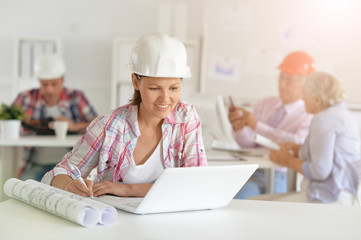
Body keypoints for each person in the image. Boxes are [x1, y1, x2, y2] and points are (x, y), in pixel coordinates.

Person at [42, 33, 208, 198]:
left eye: (173, 88)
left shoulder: (186, 118)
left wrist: (126, 190)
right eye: (154, 88)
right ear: (136, 82)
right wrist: (70, 185)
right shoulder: (108, 126)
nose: (165, 99)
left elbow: (195, 182)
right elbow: (58, 173)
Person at [253, 71, 361, 205]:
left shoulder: (324, 119)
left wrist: (287, 161)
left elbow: (320, 171)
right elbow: (332, 156)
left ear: (318, 99)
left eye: (305, 94)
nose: (303, 98)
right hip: (345, 197)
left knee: (253, 202)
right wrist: (299, 149)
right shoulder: (344, 115)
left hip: (328, 199)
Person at [228, 51, 315, 198]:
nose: (282, 84)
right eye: (281, 78)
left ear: (306, 84)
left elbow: (297, 143)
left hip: (280, 175)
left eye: (289, 80)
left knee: (237, 199)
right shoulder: (265, 104)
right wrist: (239, 128)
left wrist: (257, 126)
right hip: (250, 170)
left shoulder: (309, 113)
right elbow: (248, 145)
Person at [13, 53, 98, 181]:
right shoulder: (26, 98)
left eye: (54, 84)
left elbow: (97, 124)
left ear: (62, 80)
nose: (49, 90)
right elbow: (6, 122)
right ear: (39, 81)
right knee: (26, 187)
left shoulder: (76, 97)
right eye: (44, 84)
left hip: (69, 167)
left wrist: (74, 127)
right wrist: (22, 122)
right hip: (36, 165)